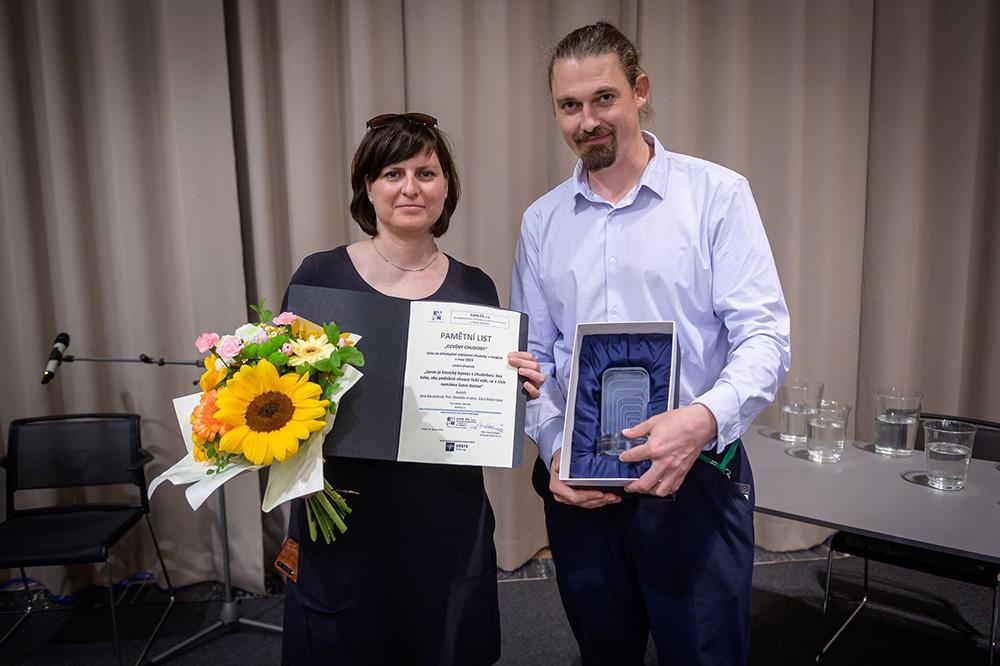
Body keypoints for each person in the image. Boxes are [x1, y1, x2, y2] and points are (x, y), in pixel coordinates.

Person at [510, 22, 791, 665]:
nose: (587, 121)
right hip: (580, 490)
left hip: (695, 481)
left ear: (640, 91)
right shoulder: (541, 222)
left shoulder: (717, 196)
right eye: (569, 105)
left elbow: (765, 337)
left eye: (603, 98)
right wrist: (555, 447)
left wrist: (701, 421)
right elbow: (535, 362)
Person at [280, 112, 543, 665]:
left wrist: (515, 387)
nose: (410, 188)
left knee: (442, 642)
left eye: (426, 172)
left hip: (443, 512)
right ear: (368, 187)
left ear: (446, 186)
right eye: (392, 173)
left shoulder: (476, 286)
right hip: (343, 511)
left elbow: (481, 401)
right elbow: (285, 396)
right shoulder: (321, 277)